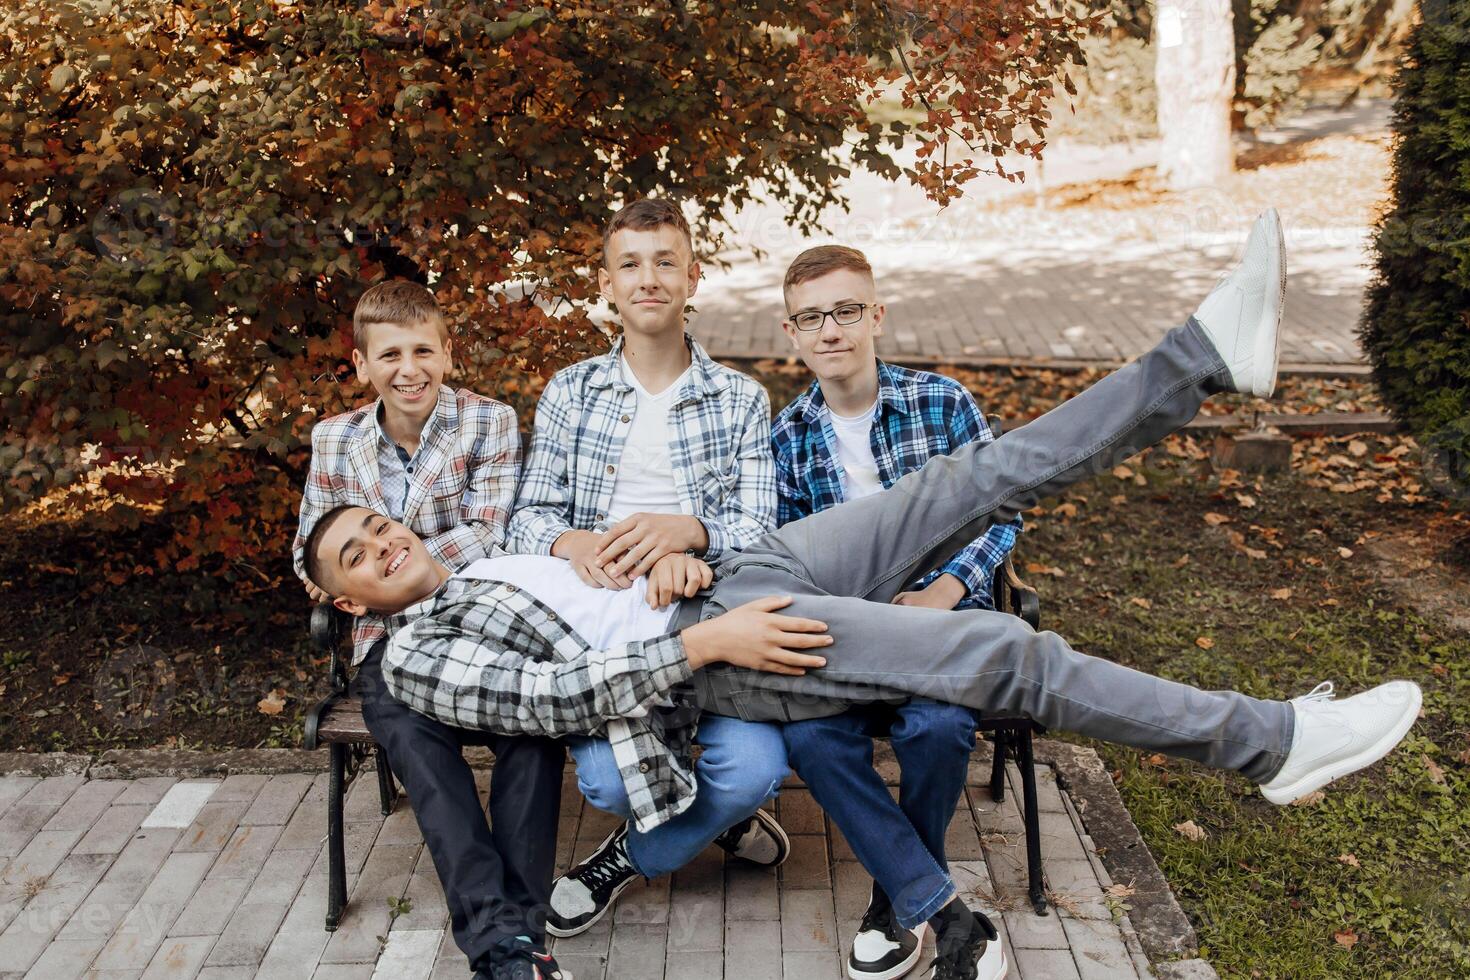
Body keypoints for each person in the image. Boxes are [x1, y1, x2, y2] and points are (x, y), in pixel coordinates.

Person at [304, 212, 1422, 980]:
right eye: (359, 550)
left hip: (746, 568)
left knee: (969, 478)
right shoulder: (415, 650)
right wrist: (706, 644)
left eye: (376, 519)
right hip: (717, 639)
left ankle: (1206, 353)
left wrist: (679, 553)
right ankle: (1269, 742)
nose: (384, 534)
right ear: (354, 600)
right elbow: (561, 699)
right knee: (1001, 657)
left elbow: (577, 544)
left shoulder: (492, 548)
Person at [505, 199, 792, 938]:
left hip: (705, 604)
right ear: (606, 284)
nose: (649, 278)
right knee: (603, 779)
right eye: (630, 264)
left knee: (755, 769)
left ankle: (623, 859)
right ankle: (717, 824)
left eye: (666, 261)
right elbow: (529, 518)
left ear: (692, 277)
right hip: (605, 623)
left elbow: (762, 531)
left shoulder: (738, 399)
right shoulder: (573, 390)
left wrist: (689, 535)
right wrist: (575, 545)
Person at [290, 281, 564, 980]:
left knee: (531, 730)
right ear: (362, 365)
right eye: (389, 355)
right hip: (387, 646)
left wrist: (382, 576)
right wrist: (350, 579)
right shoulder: (336, 440)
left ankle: (517, 937)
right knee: (414, 739)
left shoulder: (487, 422)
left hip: (483, 625)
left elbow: (494, 534)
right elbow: (310, 550)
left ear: (447, 353)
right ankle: (503, 939)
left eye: (422, 351)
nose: (408, 369)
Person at [769, 243, 1024, 979]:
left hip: (936, 622)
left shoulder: (942, 405)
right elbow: (786, 558)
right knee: (812, 741)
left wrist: (947, 589)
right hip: (844, 637)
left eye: (846, 311)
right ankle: (936, 903)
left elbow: (1001, 512)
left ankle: (893, 895)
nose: (830, 331)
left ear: (876, 315)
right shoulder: (786, 439)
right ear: (791, 333)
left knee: (941, 728)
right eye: (810, 317)